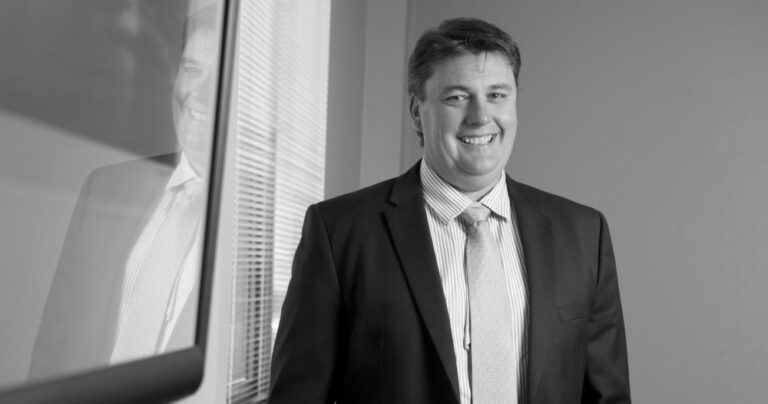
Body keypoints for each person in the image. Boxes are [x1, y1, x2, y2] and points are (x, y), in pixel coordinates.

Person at [269, 17, 630, 404]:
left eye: (497, 95)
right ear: (416, 111)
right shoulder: (339, 233)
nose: (480, 116)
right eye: (457, 97)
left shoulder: (583, 234)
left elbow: (607, 396)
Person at [29, 5, 219, 380]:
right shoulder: (104, 190)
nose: (198, 94)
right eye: (192, 69)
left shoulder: (258, 230)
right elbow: (52, 352)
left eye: (217, 78)